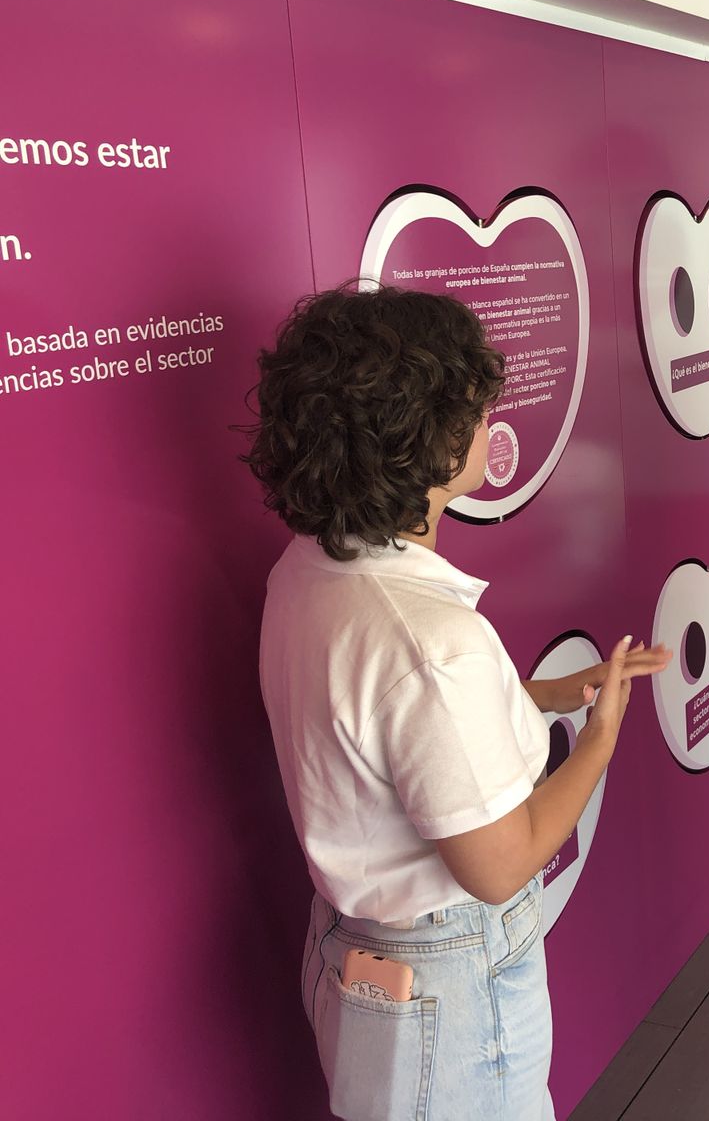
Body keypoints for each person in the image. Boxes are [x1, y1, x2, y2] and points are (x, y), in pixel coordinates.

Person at [245, 285, 669, 1121]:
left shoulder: (307, 572)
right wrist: (598, 740)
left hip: (353, 951)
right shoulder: (432, 642)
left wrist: (536, 696)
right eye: (476, 412)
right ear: (431, 441)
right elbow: (502, 866)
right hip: (447, 977)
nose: (487, 425)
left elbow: (388, 733)